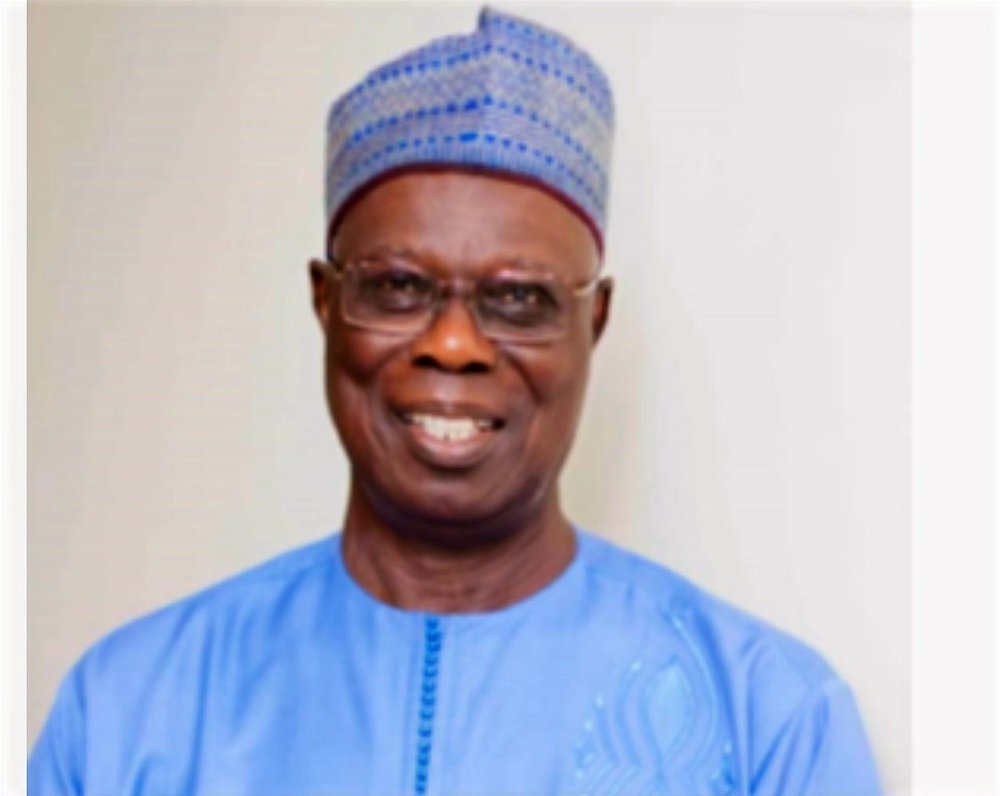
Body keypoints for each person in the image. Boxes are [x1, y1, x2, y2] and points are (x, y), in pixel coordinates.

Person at [29, 7, 882, 795]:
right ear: (327, 303)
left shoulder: (768, 720)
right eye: (398, 287)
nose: (453, 343)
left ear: (594, 322)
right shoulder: (127, 712)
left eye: (519, 299)